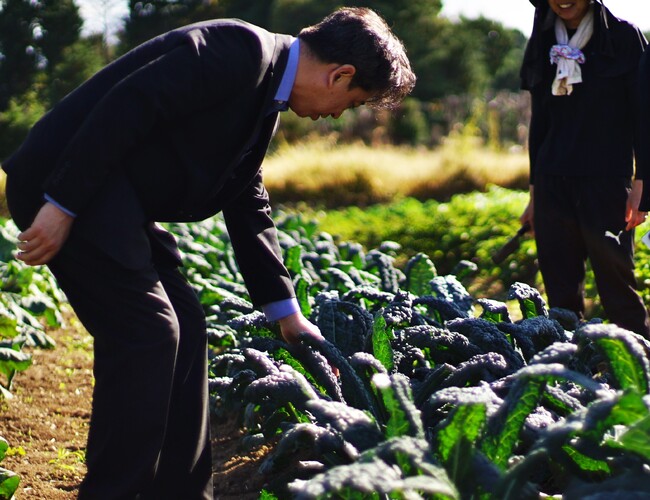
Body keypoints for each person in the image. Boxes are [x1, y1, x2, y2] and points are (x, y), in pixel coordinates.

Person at [1, 7, 415, 499]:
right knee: (149, 333)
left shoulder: (264, 89)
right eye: (350, 102)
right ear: (339, 74)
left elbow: (246, 198)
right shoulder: (239, 51)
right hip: (70, 182)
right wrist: (62, 203)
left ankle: (181, 492)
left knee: (188, 327)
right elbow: (129, 104)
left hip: (111, 196)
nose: (336, 115)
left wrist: (285, 310)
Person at [519, 0, 650, 338]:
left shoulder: (623, 37)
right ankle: (571, 375)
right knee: (560, 294)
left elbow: (645, 115)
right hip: (551, 182)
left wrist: (643, 183)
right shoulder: (543, 39)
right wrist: (534, 195)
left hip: (606, 182)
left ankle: (637, 371)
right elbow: (540, 122)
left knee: (617, 286)